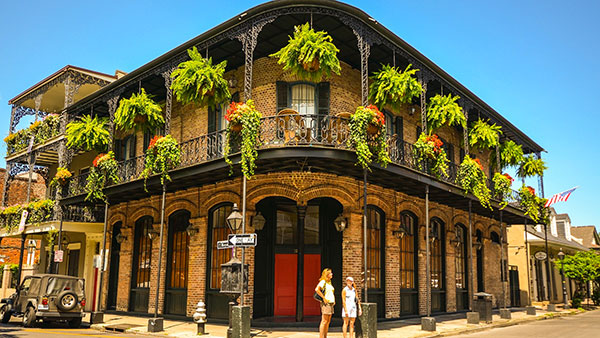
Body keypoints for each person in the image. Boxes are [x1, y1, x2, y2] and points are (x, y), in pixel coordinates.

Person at [315, 268, 335, 338]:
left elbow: (330, 292)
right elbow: (317, 289)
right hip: (326, 303)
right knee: (324, 321)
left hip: (331, 303)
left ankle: (325, 336)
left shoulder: (329, 282)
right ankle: (321, 336)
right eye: (330, 273)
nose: (332, 274)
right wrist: (323, 298)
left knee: (328, 321)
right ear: (327, 274)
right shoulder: (323, 282)